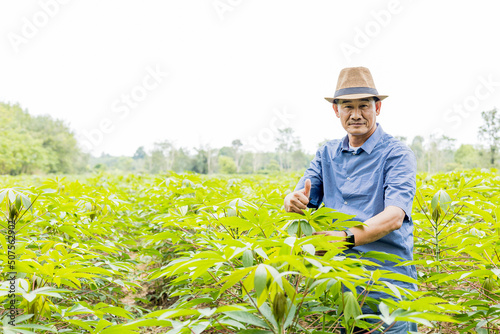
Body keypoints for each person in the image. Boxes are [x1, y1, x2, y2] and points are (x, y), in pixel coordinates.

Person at [284, 67, 418, 333]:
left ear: (377, 108)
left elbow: (394, 216)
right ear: (336, 110)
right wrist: (292, 200)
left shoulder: (397, 154)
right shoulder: (326, 153)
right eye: (348, 106)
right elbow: (302, 198)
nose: (356, 114)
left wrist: (345, 238)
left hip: (386, 284)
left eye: (364, 106)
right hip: (339, 285)